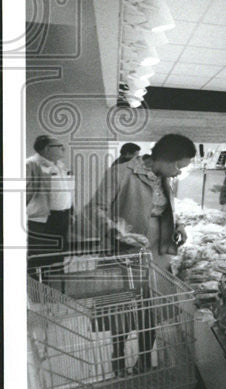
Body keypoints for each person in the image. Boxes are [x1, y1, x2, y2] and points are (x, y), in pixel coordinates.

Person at [81, 133, 196, 373]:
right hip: (124, 251)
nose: (177, 172)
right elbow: (94, 208)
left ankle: (145, 359)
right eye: (177, 166)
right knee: (121, 308)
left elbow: (167, 207)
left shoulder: (166, 177)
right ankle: (118, 357)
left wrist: (180, 225)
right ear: (163, 158)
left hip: (156, 250)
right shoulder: (122, 173)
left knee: (151, 307)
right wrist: (119, 232)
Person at [26, 135, 73, 277]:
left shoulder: (60, 165)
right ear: (47, 148)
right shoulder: (30, 164)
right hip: (42, 220)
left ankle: (56, 289)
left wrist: (71, 212)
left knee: (58, 256)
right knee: (41, 257)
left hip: (62, 218)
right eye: (59, 146)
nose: (63, 149)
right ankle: (39, 291)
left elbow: (66, 191)